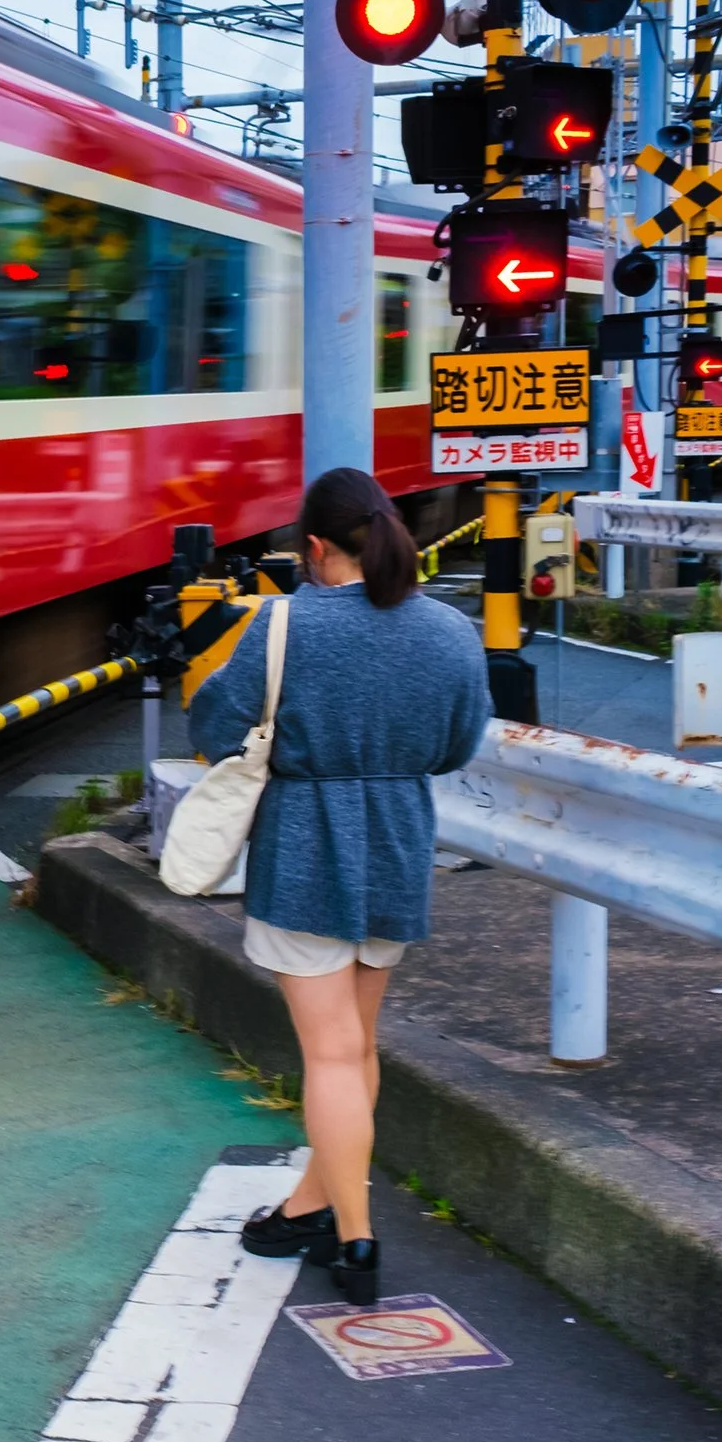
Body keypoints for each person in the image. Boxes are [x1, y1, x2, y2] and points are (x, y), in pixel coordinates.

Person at [187, 467, 491, 1304]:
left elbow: (214, 724)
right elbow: (460, 745)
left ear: (314, 547)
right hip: (397, 844)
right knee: (355, 1048)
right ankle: (311, 1206)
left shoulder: (284, 625)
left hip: (305, 850)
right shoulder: (449, 633)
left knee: (328, 1055)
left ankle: (355, 1241)